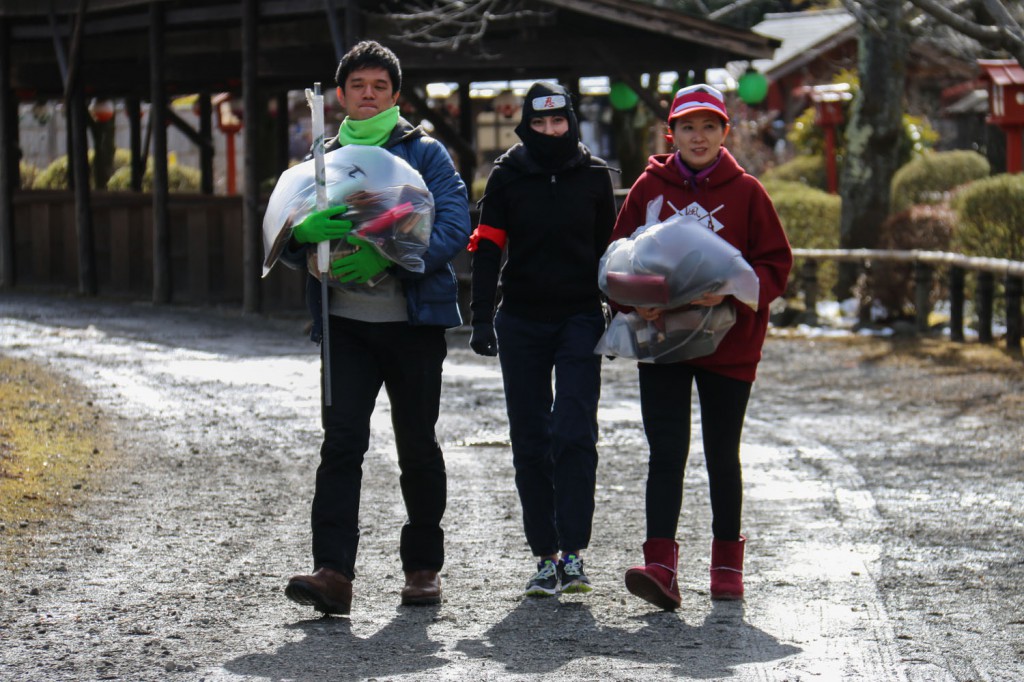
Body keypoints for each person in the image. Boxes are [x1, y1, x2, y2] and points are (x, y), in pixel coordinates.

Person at [279, 40, 471, 615]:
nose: (367, 95)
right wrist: (301, 234)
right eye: (357, 86)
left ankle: (421, 569)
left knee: (416, 443)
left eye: (379, 87)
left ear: (395, 95)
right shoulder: (320, 155)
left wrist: (394, 257)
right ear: (340, 95)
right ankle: (333, 572)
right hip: (344, 326)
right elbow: (282, 232)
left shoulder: (426, 154)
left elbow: (455, 223)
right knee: (341, 446)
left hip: (412, 325)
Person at [608, 84, 792, 609]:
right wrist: (631, 301)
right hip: (662, 338)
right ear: (673, 134)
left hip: (729, 344)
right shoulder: (650, 186)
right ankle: (660, 566)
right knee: (666, 452)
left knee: (721, 454)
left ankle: (726, 565)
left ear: (724, 132)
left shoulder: (748, 191)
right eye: (688, 127)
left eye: (709, 126)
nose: (698, 136)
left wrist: (731, 286)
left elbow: (775, 265)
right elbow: (618, 256)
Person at [468, 81, 617, 597]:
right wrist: (481, 318)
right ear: (526, 126)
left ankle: (574, 554)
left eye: (558, 122)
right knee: (531, 439)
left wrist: (619, 318)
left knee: (574, 432)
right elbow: (486, 250)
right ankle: (544, 556)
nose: (550, 131)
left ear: (571, 122)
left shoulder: (596, 178)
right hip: (522, 322)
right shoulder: (507, 177)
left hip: (579, 317)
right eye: (539, 123)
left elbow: (611, 257)